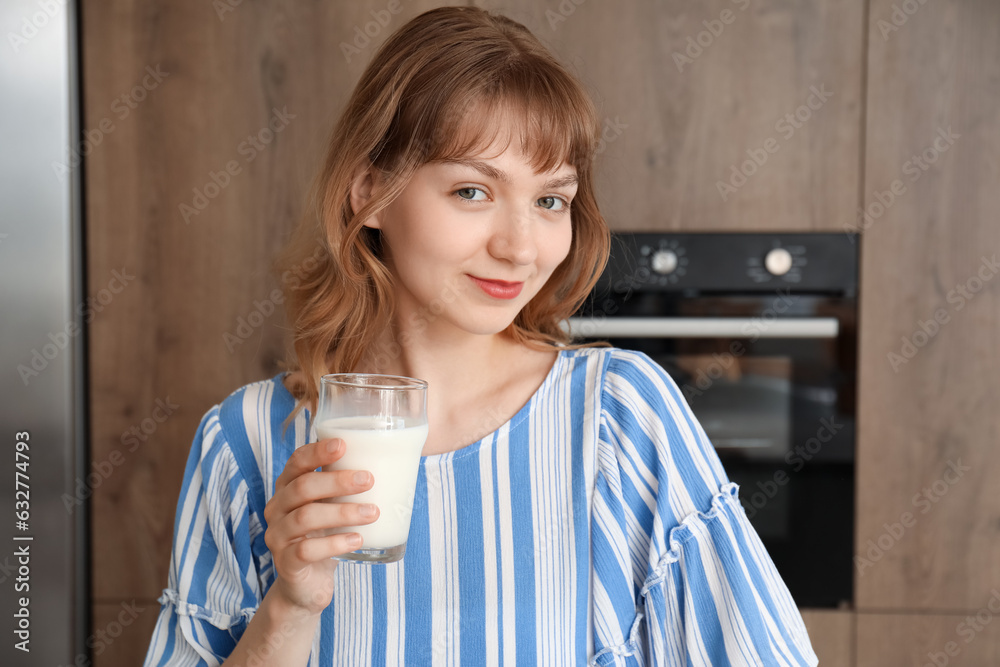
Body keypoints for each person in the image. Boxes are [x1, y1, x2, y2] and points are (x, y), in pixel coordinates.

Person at [143, 6, 817, 666]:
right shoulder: (245, 443)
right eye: (472, 191)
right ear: (369, 190)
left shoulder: (618, 416)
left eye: (551, 200)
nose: (521, 247)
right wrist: (290, 607)